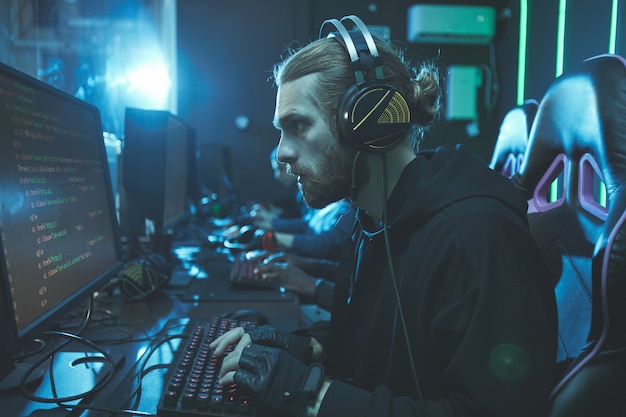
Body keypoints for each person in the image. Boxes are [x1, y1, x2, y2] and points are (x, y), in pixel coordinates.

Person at [210, 14, 557, 417]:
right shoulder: (375, 222)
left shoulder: (476, 237)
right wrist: (305, 347)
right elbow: (377, 343)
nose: (283, 152)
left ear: (366, 122)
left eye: (297, 125)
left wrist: (311, 395)